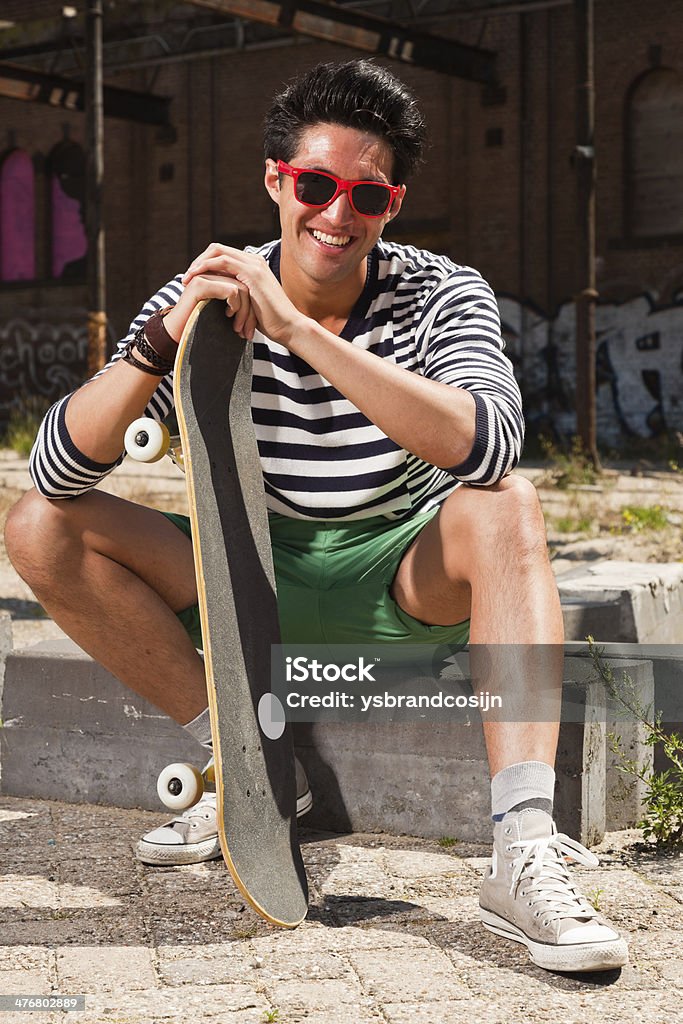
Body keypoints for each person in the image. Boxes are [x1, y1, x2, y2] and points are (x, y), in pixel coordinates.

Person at [5, 58, 627, 973]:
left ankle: (520, 851)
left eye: (364, 197)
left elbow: (489, 445)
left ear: (391, 204)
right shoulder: (209, 299)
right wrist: (158, 343)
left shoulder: (440, 293)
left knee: (510, 504)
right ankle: (248, 773)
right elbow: (55, 468)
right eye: (315, 185)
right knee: (34, 525)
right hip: (243, 571)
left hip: (402, 574)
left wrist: (299, 331)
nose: (335, 215)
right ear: (275, 181)